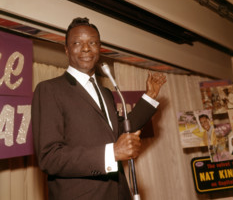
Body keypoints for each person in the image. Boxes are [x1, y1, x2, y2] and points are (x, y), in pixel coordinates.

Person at [32, 17, 166, 200]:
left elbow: (120, 132)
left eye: (92, 42)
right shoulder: (49, 89)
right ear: (66, 49)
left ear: (99, 48)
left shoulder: (105, 92)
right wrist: (112, 153)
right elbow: (49, 157)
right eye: (77, 43)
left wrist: (149, 96)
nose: (86, 48)